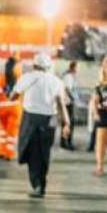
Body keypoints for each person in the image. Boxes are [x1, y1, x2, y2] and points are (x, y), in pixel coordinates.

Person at [13, 54, 70, 198]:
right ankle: (41, 183)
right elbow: (61, 104)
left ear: (34, 65)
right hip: (50, 120)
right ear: (49, 67)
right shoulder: (56, 81)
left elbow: (13, 95)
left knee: (31, 152)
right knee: (44, 152)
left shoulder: (27, 77)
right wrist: (66, 123)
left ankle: (38, 184)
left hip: (30, 119)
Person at [0, 57, 22, 160]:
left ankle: (1, 152)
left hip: (2, 108)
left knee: (3, 133)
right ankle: (9, 153)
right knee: (12, 133)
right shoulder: (19, 78)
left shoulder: (0, 78)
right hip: (15, 107)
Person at [60, 61, 81, 150]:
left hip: (68, 103)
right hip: (67, 103)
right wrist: (73, 98)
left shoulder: (70, 76)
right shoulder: (68, 76)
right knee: (68, 123)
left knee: (68, 123)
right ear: (73, 67)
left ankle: (66, 142)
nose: (78, 69)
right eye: (77, 67)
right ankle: (66, 143)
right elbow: (67, 89)